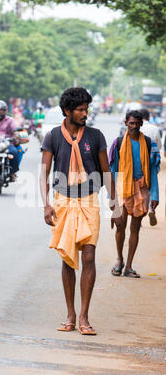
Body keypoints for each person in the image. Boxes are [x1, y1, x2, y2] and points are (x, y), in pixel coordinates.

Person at [40, 87, 123, 335]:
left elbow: (106, 171)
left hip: (89, 200)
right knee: (67, 258)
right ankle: (70, 314)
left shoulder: (96, 136)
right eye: (79, 109)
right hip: (62, 201)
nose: (84, 113)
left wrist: (115, 204)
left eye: (86, 109)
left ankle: (85, 317)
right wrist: (46, 204)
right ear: (67, 111)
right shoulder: (52, 136)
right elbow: (44, 172)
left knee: (88, 256)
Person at [109, 110, 160, 278]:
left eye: (137, 123)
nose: (134, 126)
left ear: (141, 124)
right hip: (123, 187)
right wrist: (112, 198)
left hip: (142, 187)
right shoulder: (117, 143)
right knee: (120, 225)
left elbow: (152, 170)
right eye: (131, 123)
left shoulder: (149, 143)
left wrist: (155, 195)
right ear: (126, 123)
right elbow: (111, 171)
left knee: (135, 228)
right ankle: (119, 259)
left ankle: (129, 266)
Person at [140, 108, 162, 225]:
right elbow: (158, 145)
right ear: (148, 117)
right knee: (151, 186)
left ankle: (139, 213)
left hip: (138, 163)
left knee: (139, 186)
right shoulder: (154, 128)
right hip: (151, 161)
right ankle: (150, 208)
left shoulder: (136, 128)